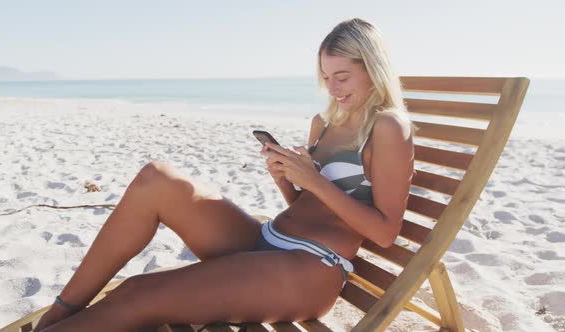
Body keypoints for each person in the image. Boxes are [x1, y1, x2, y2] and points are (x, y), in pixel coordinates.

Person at [34, 18, 414, 331]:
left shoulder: (388, 128)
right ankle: (61, 313)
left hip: (310, 271)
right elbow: (308, 207)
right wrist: (286, 177)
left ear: (372, 69)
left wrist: (314, 179)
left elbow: (385, 232)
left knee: (137, 293)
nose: (332, 88)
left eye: (343, 77)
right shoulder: (326, 122)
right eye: (326, 76)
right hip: (267, 242)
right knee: (157, 178)